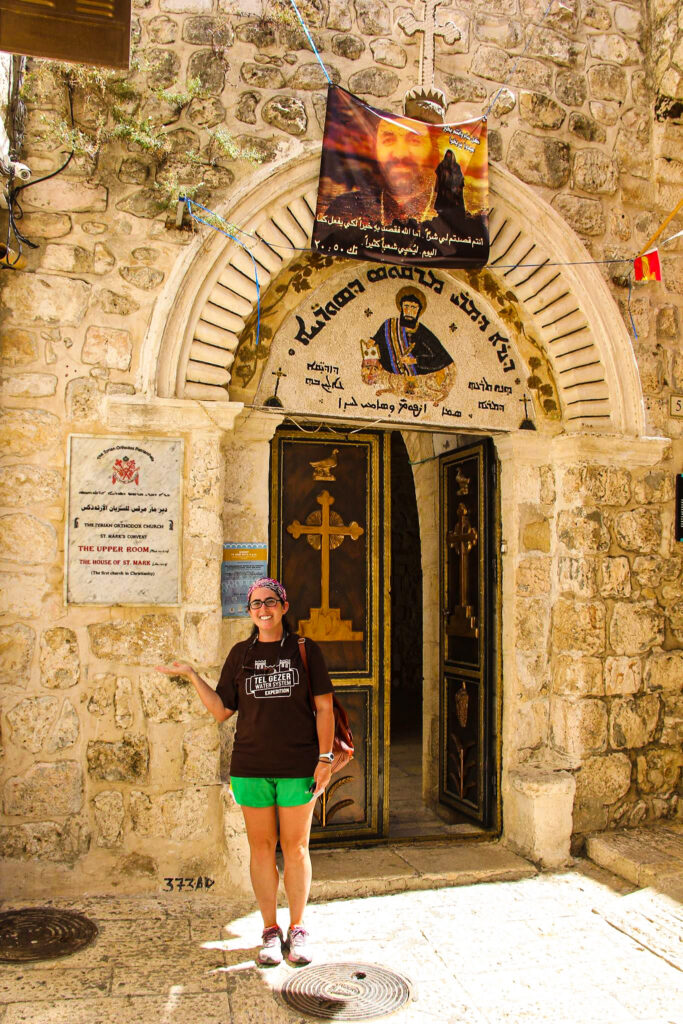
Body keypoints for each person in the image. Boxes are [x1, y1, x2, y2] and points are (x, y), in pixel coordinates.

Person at [157, 577, 335, 967]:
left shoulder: (305, 650)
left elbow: (324, 707)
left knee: (296, 848)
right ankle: (270, 930)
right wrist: (193, 675)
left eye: (270, 602)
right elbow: (223, 710)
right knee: (261, 848)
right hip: (251, 767)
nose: (263, 609)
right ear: (249, 611)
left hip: (298, 765)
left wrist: (325, 759)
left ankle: (298, 928)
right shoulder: (241, 654)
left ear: (284, 607)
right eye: (256, 603)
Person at [369, 287, 454, 378]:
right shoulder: (389, 324)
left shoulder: (422, 332)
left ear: (419, 310)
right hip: (388, 376)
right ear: (401, 307)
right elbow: (376, 341)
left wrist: (415, 361)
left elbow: (443, 358)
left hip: (413, 379)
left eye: (413, 307)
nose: (409, 311)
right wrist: (371, 343)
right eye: (406, 306)